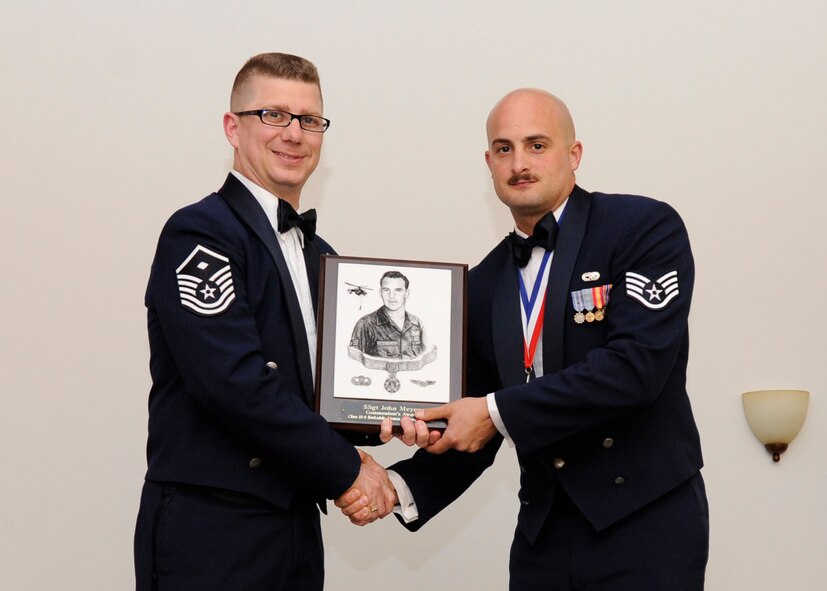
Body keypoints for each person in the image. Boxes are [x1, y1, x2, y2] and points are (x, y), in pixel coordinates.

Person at [338, 88, 709, 590]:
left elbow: (634, 371)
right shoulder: (485, 282)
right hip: (543, 537)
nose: (520, 163)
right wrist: (399, 484)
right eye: (505, 148)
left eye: (537, 145)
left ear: (574, 155)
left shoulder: (641, 228)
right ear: (489, 163)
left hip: (645, 526)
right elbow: (471, 418)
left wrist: (490, 412)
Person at [133, 52, 395, 591]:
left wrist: (392, 417)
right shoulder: (200, 234)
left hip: (294, 525)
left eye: (309, 120)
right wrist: (348, 472)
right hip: (213, 529)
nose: (294, 134)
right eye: (273, 115)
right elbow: (233, 384)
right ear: (233, 127)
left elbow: (321, 393)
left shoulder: (322, 256)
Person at [348, 270, 430, 359]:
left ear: (406, 294)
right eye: (386, 290)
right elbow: (354, 361)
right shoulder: (365, 324)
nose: (392, 296)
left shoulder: (416, 323)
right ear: (380, 293)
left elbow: (426, 357)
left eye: (398, 290)